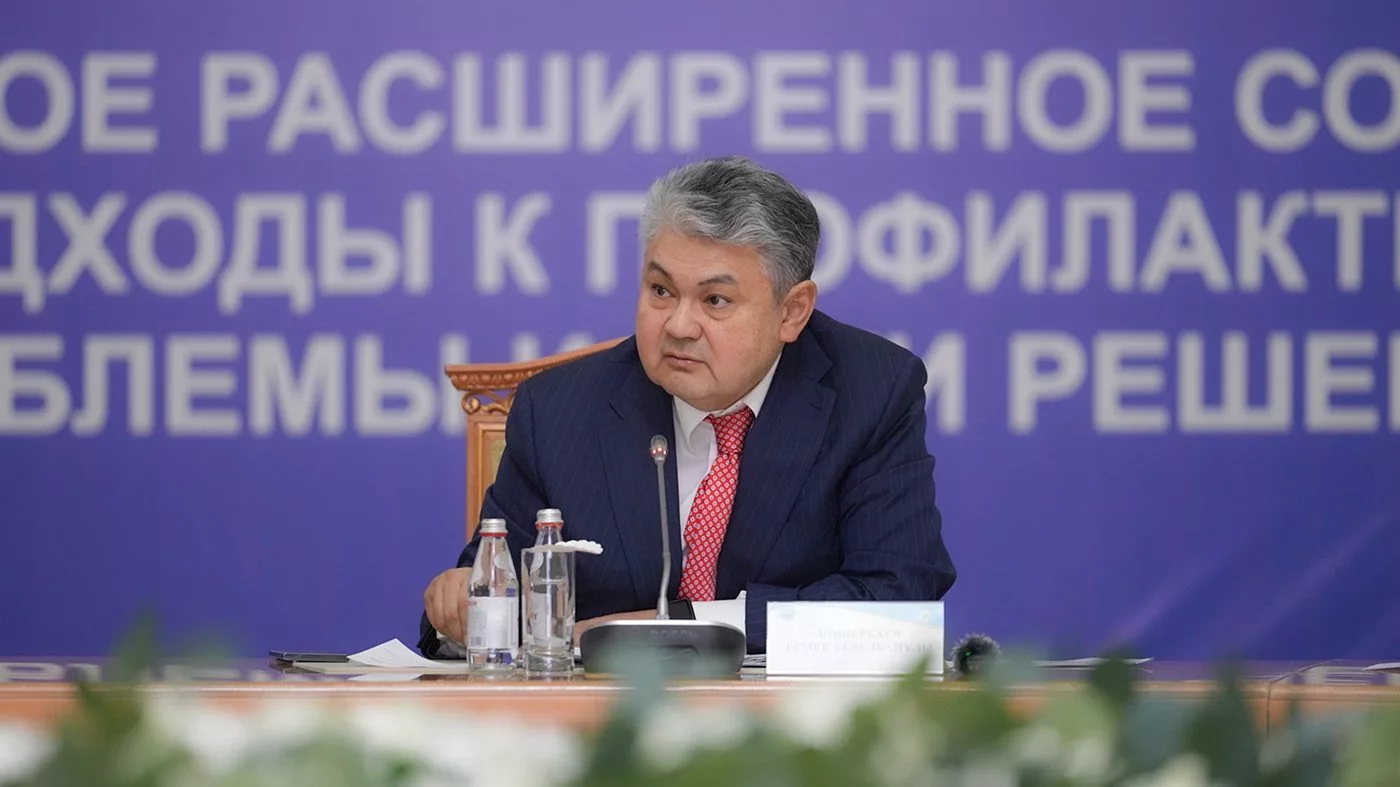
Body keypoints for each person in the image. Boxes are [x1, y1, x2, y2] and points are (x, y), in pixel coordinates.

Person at [420, 155, 956, 657]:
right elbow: (487, 600)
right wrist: (462, 609)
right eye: (660, 290)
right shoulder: (559, 410)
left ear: (792, 311)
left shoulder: (871, 391)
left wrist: (679, 625)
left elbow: (897, 600)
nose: (678, 326)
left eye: (714, 300)